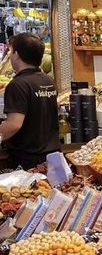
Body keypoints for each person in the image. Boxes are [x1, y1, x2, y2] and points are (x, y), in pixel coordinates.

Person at [0, 33, 60, 168]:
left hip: (28, 160)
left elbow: (14, 124)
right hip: (52, 155)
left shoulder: (18, 84)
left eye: (11, 51)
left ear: (16, 54)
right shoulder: (48, 80)